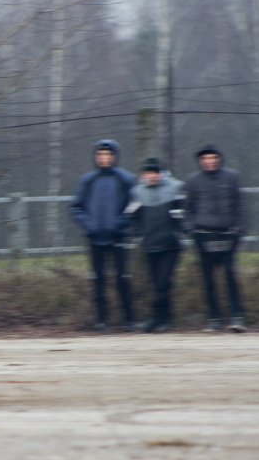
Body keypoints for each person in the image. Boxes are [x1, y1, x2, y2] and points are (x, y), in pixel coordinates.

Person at [70, 139, 137, 332]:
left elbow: (134, 206)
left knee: (122, 278)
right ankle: (101, 320)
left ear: (115, 156)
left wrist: (120, 224)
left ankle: (129, 320)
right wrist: (88, 225)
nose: (104, 158)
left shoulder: (126, 179)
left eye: (108, 155)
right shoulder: (88, 180)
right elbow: (76, 207)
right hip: (94, 238)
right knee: (98, 280)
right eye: (100, 155)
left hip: (119, 237)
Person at [184, 145, 246, 332]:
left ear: (219, 159)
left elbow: (240, 206)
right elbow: (188, 209)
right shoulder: (193, 181)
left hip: (227, 234)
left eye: (212, 158)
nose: (209, 162)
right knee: (208, 280)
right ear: (200, 161)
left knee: (230, 277)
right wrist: (191, 230)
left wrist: (240, 231)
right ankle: (214, 318)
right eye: (205, 159)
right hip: (204, 235)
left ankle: (237, 317)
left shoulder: (232, 177)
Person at [126, 158, 184, 332]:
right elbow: (131, 216)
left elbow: (182, 213)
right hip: (150, 244)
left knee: (163, 282)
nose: (151, 176)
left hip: (170, 244)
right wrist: (139, 235)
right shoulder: (137, 192)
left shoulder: (174, 188)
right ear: (143, 175)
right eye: (148, 173)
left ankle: (159, 317)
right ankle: (164, 318)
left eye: (154, 173)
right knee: (157, 283)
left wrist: (180, 232)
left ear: (160, 174)